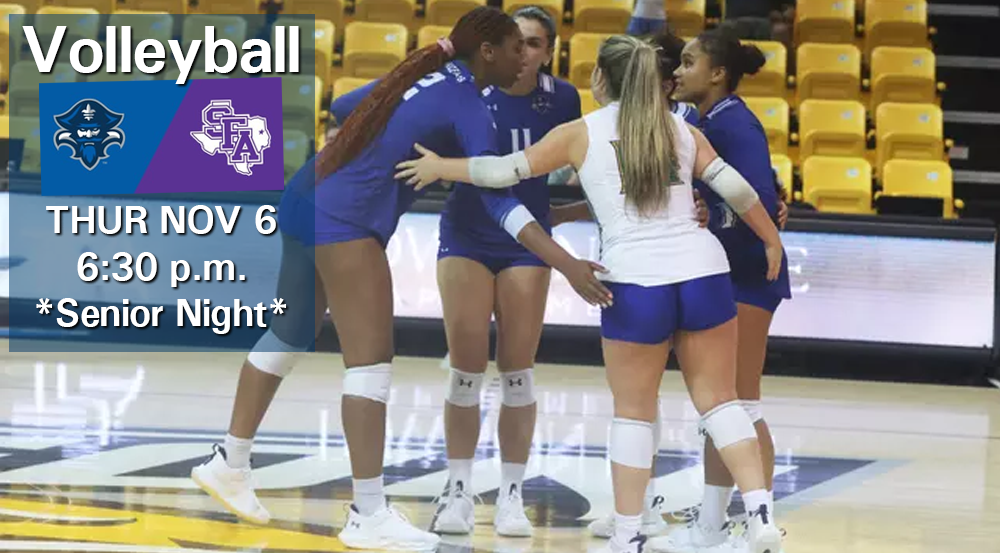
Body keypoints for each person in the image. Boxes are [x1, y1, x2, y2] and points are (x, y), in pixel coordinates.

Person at [188, 7, 611, 552]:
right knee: (371, 366)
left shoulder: (426, 71)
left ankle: (230, 460)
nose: (522, 59)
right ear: (487, 52)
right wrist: (567, 263)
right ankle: (368, 514)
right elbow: (500, 201)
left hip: (302, 197)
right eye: (514, 48)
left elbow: (345, 107)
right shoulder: (471, 106)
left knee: (289, 334)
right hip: (345, 221)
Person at [395, 34, 785, 553]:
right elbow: (736, 187)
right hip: (703, 270)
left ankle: (627, 536)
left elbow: (500, 171)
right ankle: (760, 517)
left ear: (602, 79)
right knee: (721, 403)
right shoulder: (681, 127)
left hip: (635, 279)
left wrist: (441, 167)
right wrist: (771, 238)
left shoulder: (580, 132)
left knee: (634, 412)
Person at [429, 6, 581, 539]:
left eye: (535, 43)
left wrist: (576, 212)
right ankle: (457, 489)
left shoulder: (563, 100)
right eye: (518, 41)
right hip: (467, 235)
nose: (525, 51)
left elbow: (589, 168)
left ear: (550, 51)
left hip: (527, 242)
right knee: (466, 368)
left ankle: (512, 495)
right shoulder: (471, 89)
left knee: (517, 370)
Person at [548, 29, 701, 540]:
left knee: (647, 403)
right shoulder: (665, 122)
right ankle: (647, 508)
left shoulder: (670, 123)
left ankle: (644, 514)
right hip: (688, 270)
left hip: (650, 273)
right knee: (657, 401)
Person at [651, 27, 792, 553]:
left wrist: (720, 221)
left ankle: (760, 525)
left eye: (688, 63)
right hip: (724, 273)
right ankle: (711, 525)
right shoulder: (702, 120)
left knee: (741, 404)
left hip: (749, 274)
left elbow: (757, 199)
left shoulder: (736, 122)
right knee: (722, 406)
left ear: (717, 74)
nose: (678, 71)